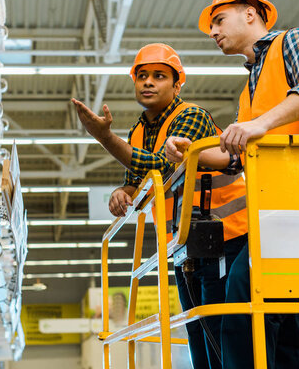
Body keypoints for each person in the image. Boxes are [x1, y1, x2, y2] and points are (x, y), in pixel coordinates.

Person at [166, 0, 299, 369]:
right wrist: (195, 154)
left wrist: (258, 125)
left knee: (242, 297)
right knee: (291, 316)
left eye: (218, 20)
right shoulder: (250, 90)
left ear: (250, 12)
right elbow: (236, 159)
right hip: (281, 198)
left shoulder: (293, 41)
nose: (213, 32)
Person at [71, 43, 248, 369]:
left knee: (222, 330)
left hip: (226, 237)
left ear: (177, 84)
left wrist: (106, 139)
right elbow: (137, 182)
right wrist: (121, 193)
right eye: (142, 76)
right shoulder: (137, 131)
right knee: (198, 330)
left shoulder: (191, 116)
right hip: (183, 247)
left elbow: (162, 167)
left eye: (158, 76)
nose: (148, 82)